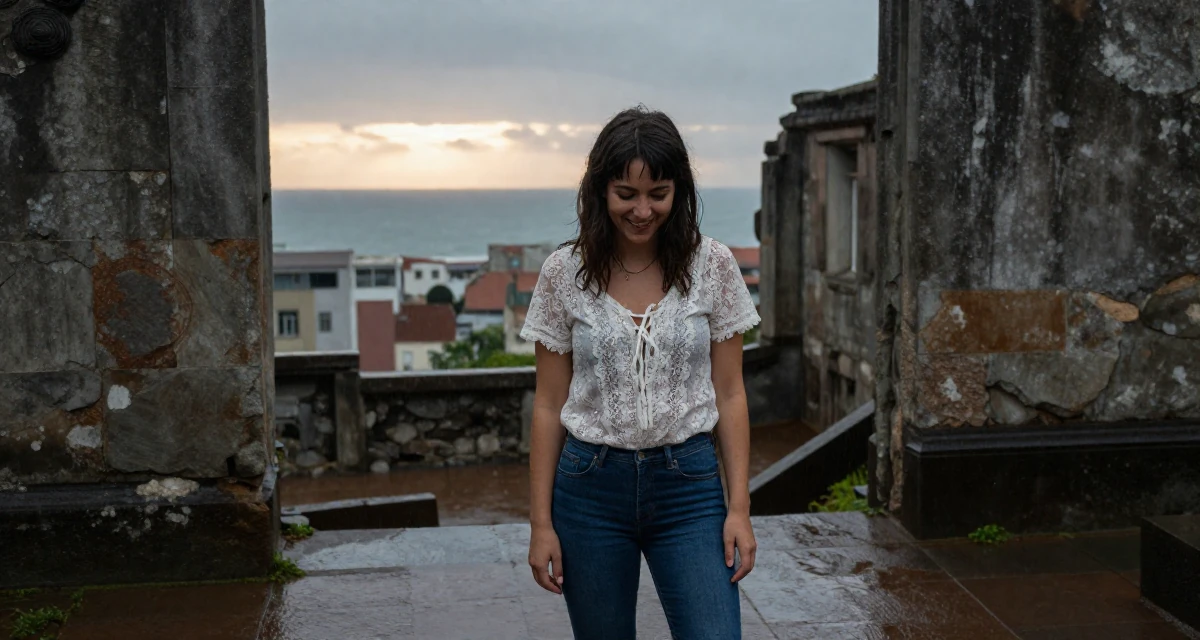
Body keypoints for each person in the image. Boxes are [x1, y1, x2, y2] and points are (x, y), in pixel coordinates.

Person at [521, 106, 761, 640]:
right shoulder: (564, 273)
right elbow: (546, 404)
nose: (642, 210)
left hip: (691, 488)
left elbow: (731, 392)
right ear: (600, 190)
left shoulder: (713, 266)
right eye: (626, 194)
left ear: (679, 192)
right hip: (588, 490)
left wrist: (739, 508)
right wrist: (541, 525)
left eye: (659, 193)